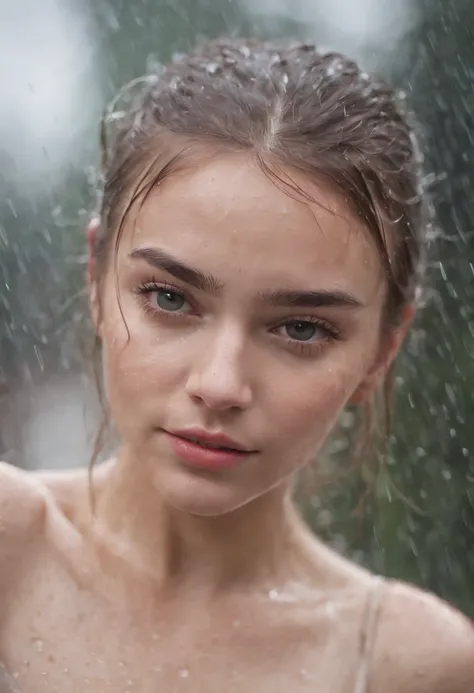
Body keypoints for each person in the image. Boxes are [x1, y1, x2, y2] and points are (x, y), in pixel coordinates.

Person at [0, 37, 472, 693]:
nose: (220, 385)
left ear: (381, 353)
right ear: (95, 278)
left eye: (302, 328)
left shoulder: (410, 663)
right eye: (170, 298)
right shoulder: (8, 546)